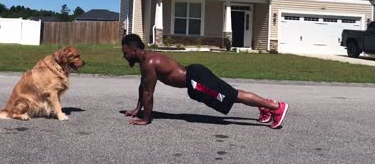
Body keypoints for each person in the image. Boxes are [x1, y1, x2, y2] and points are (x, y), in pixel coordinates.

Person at [121, 34, 288, 129]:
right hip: (194, 78)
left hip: (196, 80)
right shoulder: (147, 60)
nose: (124, 56)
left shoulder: (149, 63)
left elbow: (148, 93)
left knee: (232, 95)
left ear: (135, 50)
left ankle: (276, 107)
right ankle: (266, 106)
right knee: (232, 95)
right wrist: (138, 108)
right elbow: (143, 87)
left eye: (126, 52)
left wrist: (146, 119)